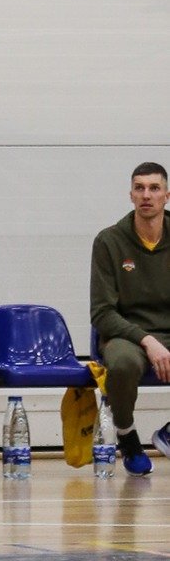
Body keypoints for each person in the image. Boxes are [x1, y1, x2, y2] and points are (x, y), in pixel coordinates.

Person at [92, 161, 170, 479]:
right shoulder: (109, 241)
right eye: (140, 188)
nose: (146, 195)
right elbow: (102, 312)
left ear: (166, 196)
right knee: (122, 363)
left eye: (154, 188)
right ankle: (127, 434)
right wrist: (147, 340)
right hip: (127, 335)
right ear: (131, 195)